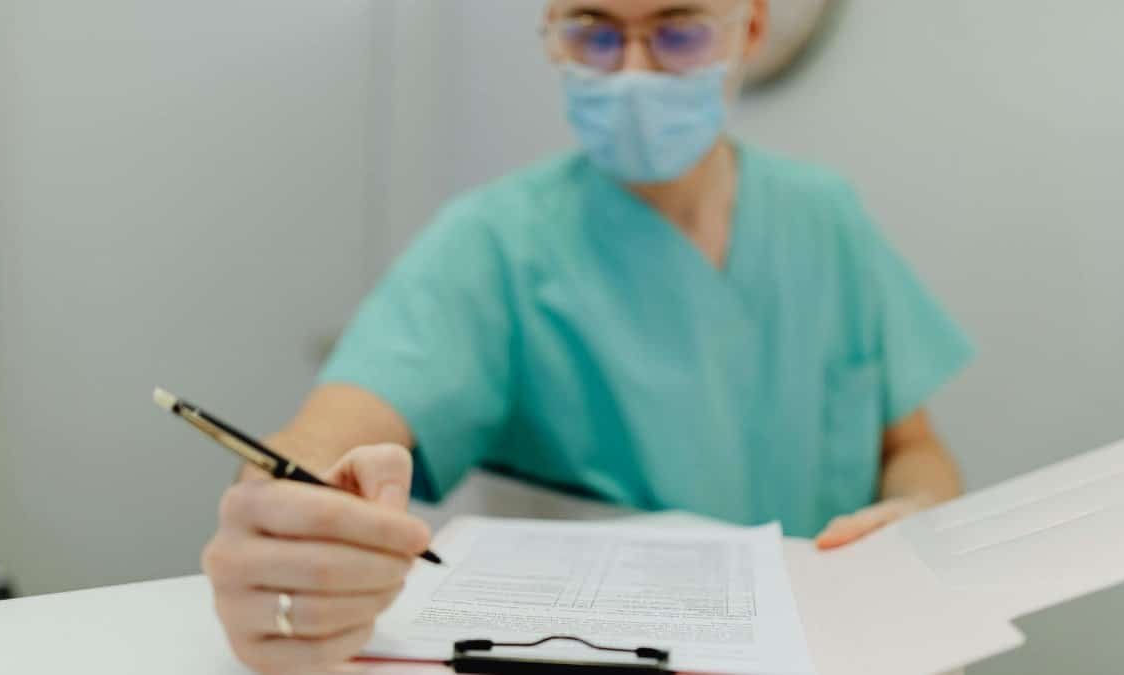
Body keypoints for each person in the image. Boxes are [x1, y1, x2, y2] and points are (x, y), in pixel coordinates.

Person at [202, 0, 973, 672]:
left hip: (838, 651)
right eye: (593, 31)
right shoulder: (497, 244)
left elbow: (913, 447)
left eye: (678, 30)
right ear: (552, 36)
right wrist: (281, 530)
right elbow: (327, 436)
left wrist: (914, 513)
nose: (633, 70)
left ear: (751, 27)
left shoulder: (824, 219)